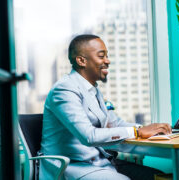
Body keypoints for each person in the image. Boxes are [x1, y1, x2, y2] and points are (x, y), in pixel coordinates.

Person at [39, 34, 171, 180]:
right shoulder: (64, 90)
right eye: (101, 56)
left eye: (107, 56)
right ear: (81, 60)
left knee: (157, 177)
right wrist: (137, 132)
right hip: (72, 167)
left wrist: (151, 129)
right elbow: (89, 136)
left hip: (101, 164)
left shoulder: (92, 90)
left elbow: (114, 124)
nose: (107, 61)